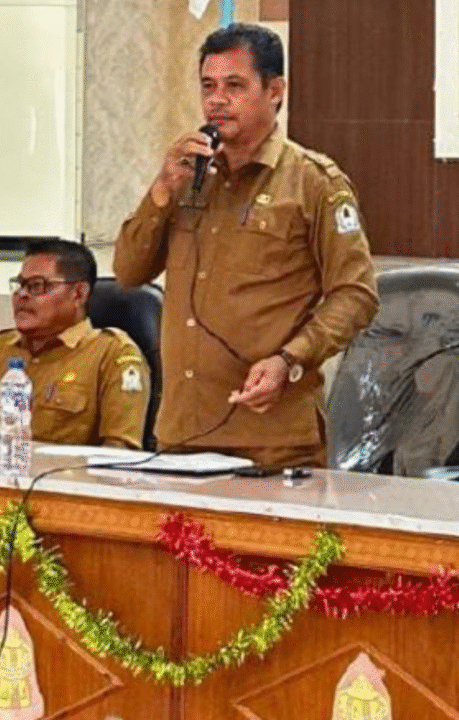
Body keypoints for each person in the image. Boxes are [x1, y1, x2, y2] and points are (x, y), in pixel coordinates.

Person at [114, 23, 378, 467]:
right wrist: (161, 190)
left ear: (275, 91)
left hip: (270, 438)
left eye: (234, 86)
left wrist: (290, 360)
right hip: (183, 433)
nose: (216, 100)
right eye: (208, 86)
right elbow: (128, 272)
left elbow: (356, 295)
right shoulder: (188, 175)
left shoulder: (314, 182)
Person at [0, 238, 149, 449]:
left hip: (65, 471)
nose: (22, 294)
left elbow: (119, 453)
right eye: (20, 284)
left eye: (37, 286)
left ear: (79, 294)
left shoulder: (112, 354)